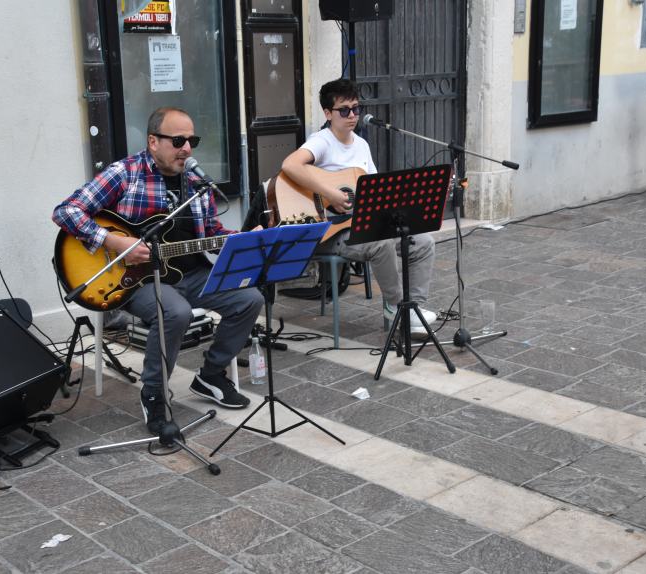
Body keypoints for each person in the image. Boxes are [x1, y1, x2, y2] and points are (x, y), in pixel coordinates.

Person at [53, 107, 263, 435]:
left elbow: (210, 234)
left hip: (189, 274)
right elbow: (67, 211)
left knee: (249, 298)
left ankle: (210, 375)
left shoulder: (196, 182)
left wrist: (246, 240)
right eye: (178, 140)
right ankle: (153, 392)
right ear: (153, 141)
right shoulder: (125, 173)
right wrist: (114, 242)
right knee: (175, 313)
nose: (187, 148)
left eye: (192, 140)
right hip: (134, 279)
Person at [281, 78, 438, 335]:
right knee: (382, 243)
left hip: (360, 225)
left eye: (356, 108)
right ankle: (396, 306)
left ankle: (414, 309)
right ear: (328, 113)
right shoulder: (321, 141)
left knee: (423, 242)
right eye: (344, 110)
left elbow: (375, 191)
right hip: (330, 230)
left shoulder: (362, 145)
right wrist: (330, 192)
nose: (352, 115)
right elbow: (290, 165)